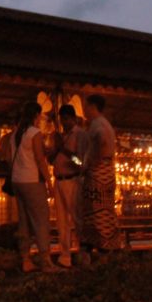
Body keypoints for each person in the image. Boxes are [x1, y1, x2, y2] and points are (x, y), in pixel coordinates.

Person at [10, 102, 56, 272]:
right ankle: (45, 259)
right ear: (36, 115)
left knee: (24, 221)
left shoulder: (16, 133)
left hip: (17, 181)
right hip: (32, 181)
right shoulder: (34, 133)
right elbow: (39, 159)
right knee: (41, 220)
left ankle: (26, 259)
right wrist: (49, 181)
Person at [80, 94, 121, 264]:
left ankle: (104, 247)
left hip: (99, 173)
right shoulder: (99, 124)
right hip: (101, 171)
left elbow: (102, 142)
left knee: (100, 211)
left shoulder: (100, 125)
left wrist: (93, 161)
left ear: (92, 106)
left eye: (85, 106)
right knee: (96, 211)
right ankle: (97, 246)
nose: (83, 109)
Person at [51, 105, 88, 268]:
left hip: (72, 180)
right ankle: (64, 256)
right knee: (61, 221)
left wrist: (63, 150)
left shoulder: (80, 135)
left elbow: (81, 162)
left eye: (66, 119)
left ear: (73, 118)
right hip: (58, 180)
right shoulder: (61, 136)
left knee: (77, 219)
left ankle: (83, 254)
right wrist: (53, 150)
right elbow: (52, 160)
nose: (63, 122)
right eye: (61, 119)